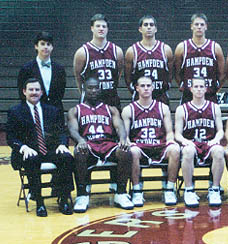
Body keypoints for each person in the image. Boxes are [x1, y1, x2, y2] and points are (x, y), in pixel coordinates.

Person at [7, 78, 74, 217]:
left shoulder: (53, 110)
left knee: (67, 158)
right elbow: (11, 137)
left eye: (37, 90)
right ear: (24, 91)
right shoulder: (15, 111)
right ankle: (39, 201)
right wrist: (23, 147)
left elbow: (62, 131)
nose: (34, 92)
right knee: (32, 159)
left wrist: (62, 144)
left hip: (49, 149)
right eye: (31, 89)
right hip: (28, 151)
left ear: (42, 92)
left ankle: (63, 198)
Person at [67, 77, 134, 212]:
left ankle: (120, 193)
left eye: (96, 87)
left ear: (100, 89)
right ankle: (82, 195)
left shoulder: (111, 109)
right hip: (89, 145)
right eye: (90, 88)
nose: (93, 90)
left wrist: (122, 138)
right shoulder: (76, 110)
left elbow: (119, 126)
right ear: (84, 90)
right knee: (79, 152)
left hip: (107, 144)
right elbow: (72, 129)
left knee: (125, 151)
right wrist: (80, 141)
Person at [122, 76, 180, 206]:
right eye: (142, 86)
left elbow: (169, 132)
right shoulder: (128, 110)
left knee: (175, 149)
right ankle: (137, 191)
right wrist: (128, 142)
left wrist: (171, 140)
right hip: (140, 147)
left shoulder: (162, 108)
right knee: (133, 151)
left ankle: (169, 189)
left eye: (148, 85)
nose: (146, 88)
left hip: (159, 145)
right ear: (136, 88)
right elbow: (124, 135)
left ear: (153, 87)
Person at [174, 77, 225, 207]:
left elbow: (220, 131)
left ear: (206, 89)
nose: (199, 89)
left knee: (219, 150)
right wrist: (185, 141)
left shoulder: (214, 107)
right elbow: (177, 134)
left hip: (208, 143)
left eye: (201, 87)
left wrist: (215, 140)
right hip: (192, 143)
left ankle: (214, 189)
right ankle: (189, 190)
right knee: (187, 151)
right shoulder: (182, 109)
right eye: (196, 87)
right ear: (191, 89)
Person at [73, 14, 124, 110]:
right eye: (98, 26)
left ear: (107, 29)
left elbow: (118, 74)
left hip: (111, 98)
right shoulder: (82, 52)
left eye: (104, 26)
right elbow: (78, 78)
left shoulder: (117, 51)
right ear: (92, 28)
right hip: (91, 100)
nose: (101, 29)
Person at [174, 13, 226, 104]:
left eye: (202, 24)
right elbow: (177, 72)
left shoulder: (215, 47)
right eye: (196, 24)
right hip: (189, 96)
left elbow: (222, 74)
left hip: (209, 95)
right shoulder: (182, 47)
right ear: (191, 26)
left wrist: (215, 87)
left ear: (206, 27)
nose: (199, 27)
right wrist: (184, 85)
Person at [125, 15, 173, 105]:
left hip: (160, 97)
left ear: (156, 29)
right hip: (140, 99)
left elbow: (170, 74)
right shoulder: (132, 51)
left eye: (151, 25)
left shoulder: (166, 49)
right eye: (146, 25)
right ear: (140, 29)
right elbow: (128, 78)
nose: (149, 27)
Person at [17, 31, 67, 112]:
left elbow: (60, 93)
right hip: (34, 112)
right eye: (42, 44)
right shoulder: (26, 69)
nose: (46, 47)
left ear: (52, 47)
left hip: (55, 112)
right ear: (36, 46)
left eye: (48, 44)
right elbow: (22, 94)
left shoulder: (59, 69)